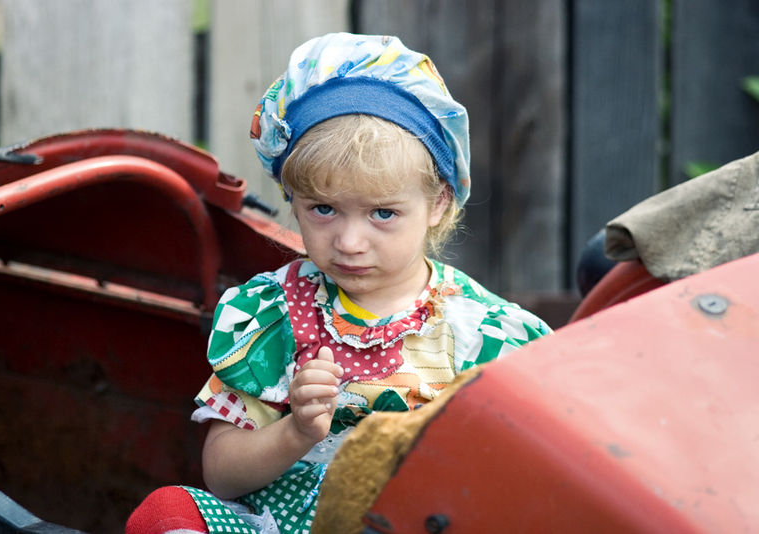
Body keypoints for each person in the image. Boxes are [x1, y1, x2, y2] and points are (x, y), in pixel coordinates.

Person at [126, 32, 551, 534]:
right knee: (166, 513)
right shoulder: (276, 312)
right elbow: (220, 475)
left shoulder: (485, 335)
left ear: (438, 202)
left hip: (408, 524)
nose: (349, 242)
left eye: (383, 213)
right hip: (276, 525)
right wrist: (296, 431)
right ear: (292, 196)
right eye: (323, 209)